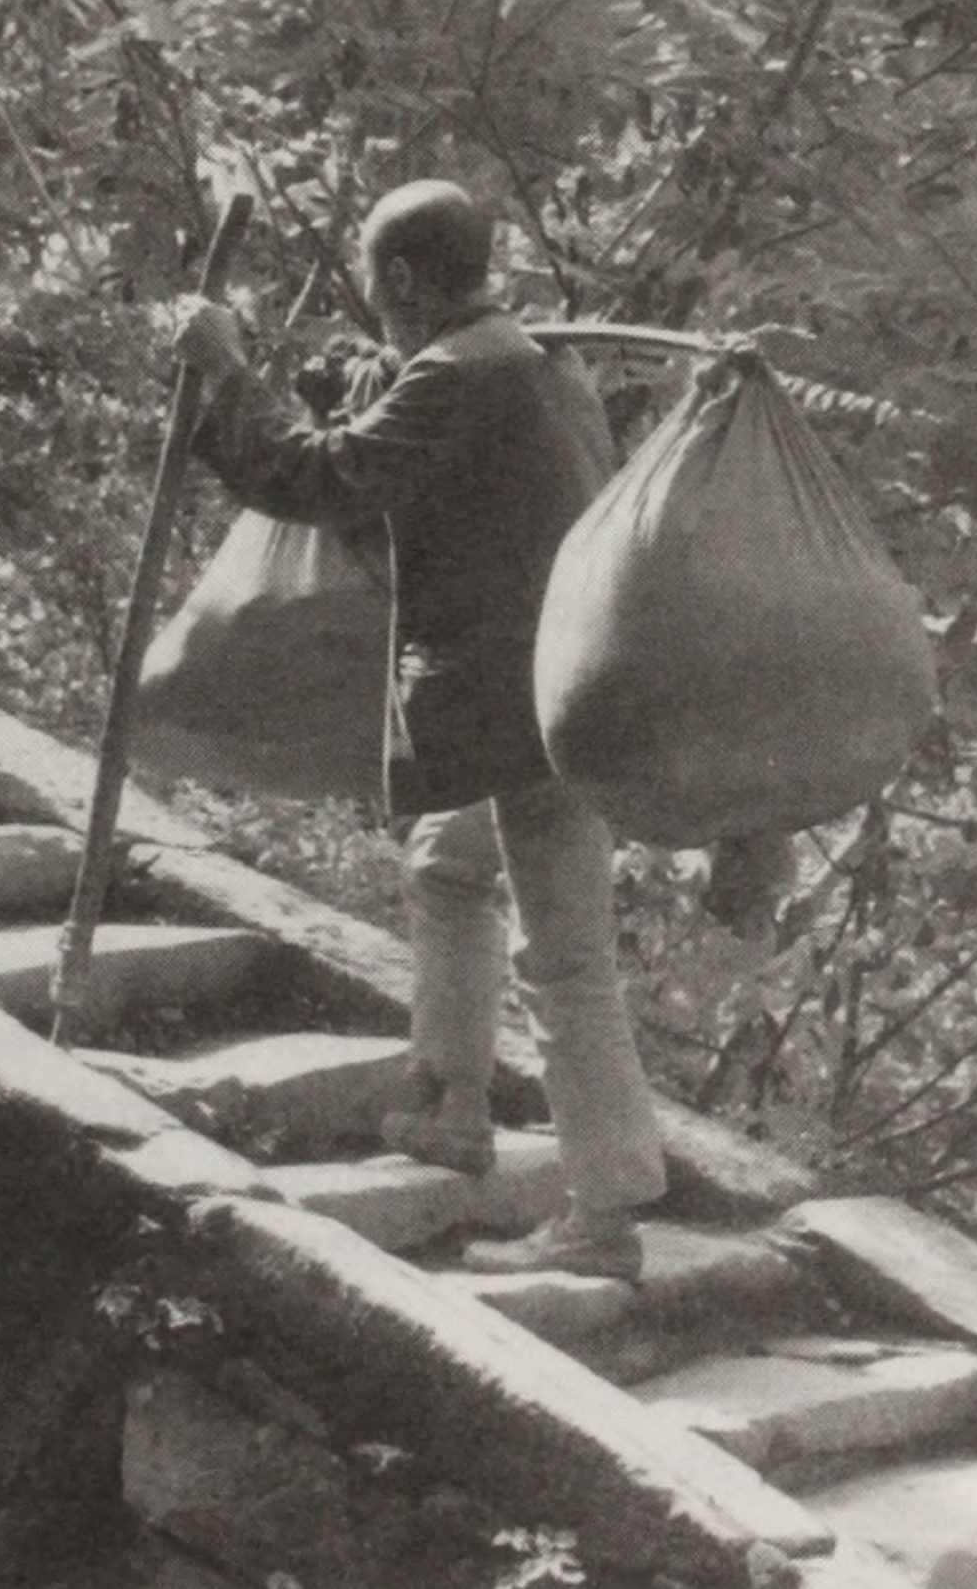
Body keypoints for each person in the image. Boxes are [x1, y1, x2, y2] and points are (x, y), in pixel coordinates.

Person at [171, 179, 666, 1279]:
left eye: (367, 268)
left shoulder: (457, 377)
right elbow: (405, 437)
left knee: (565, 959)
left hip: (531, 711)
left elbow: (322, 477)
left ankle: (604, 1216)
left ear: (397, 278)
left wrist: (228, 374)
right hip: (550, 690)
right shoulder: (530, 360)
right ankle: (450, 1108)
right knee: (448, 866)